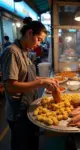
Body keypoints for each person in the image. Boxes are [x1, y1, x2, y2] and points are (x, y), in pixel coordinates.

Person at [1, 19, 59, 150]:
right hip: (18, 112)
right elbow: (10, 86)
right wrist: (40, 82)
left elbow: (28, 77)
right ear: (29, 33)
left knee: (32, 143)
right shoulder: (12, 52)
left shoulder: (25, 52)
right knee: (22, 145)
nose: (39, 44)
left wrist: (46, 80)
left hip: (28, 106)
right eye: (38, 39)